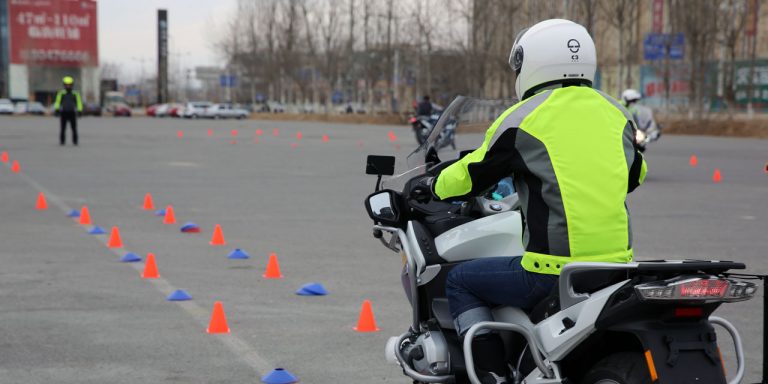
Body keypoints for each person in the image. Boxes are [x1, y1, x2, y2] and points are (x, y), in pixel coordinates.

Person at [410, 19, 647, 383]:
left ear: (531, 61)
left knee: (460, 281)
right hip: (616, 267)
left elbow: (472, 175)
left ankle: (490, 373)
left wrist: (431, 186)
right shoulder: (617, 113)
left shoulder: (524, 117)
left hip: (552, 270)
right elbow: (636, 175)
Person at [53, 76, 83, 146]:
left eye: (69, 85)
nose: (68, 86)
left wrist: (79, 110)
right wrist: (57, 109)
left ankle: (75, 141)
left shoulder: (75, 93)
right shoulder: (61, 93)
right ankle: (62, 141)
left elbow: (79, 102)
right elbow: (57, 102)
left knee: (74, 128)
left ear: (72, 85)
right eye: (66, 85)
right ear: (64, 85)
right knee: (63, 128)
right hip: (64, 112)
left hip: (72, 112)